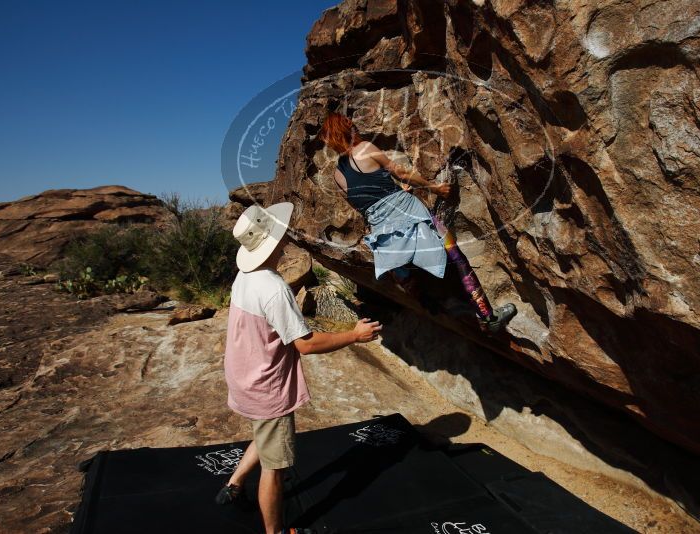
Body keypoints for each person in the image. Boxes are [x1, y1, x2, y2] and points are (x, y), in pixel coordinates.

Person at [217, 202, 381, 534]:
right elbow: (304, 344)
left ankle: (234, 484)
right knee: (275, 467)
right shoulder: (273, 288)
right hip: (266, 387)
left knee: (264, 434)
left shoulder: (244, 277)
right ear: (273, 243)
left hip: (243, 377)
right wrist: (354, 334)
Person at [318, 112, 517, 333]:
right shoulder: (364, 148)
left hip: (382, 230)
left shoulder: (337, 175)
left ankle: (436, 312)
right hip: (410, 213)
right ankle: (488, 317)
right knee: (456, 257)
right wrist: (433, 188)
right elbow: (401, 172)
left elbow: (363, 204)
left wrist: (389, 195)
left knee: (406, 275)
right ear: (346, 129)